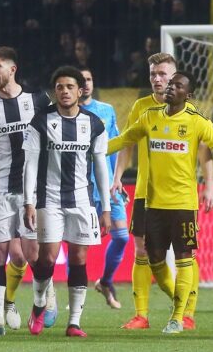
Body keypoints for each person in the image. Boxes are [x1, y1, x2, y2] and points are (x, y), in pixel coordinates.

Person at [109, 72, 213, 334]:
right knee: (155, 260)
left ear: (188, 95)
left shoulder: (198, 121)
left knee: (184, 257)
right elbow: (125, 140)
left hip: (183, 204)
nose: (170, 87)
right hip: (153, 204)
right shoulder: (149, 116)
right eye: (171, 84)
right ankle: (178, 304)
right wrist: (90, 149)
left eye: (178, 85)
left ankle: (178, 317)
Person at [0, 46, 54, 336]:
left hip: (34, 191)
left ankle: (42, 301)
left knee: (34, 255)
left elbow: (55, 135)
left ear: (12, 69)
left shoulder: (38, 99)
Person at [23, 66, 112, 338]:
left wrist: (106, 207)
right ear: (55, 91)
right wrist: (28, 202)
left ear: (80, 91)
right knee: (47, 257)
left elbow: (101, 167)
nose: (64, 91)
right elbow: (30, 164)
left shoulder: (94, 124)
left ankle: (74, 323)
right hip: (49, 199)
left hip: (82, 201)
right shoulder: (40, 121)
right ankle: (40, 303)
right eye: (60, 87)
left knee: (78, 258)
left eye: (70, 87)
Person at [78, 66, 128, 309]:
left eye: (89, 79)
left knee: (122, 237)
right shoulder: (65, 112)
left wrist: (117, 179)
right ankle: (76, 296)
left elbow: (115, 147)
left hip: (107, 185)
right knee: (78, 244)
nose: (86, 83)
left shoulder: (106, 111)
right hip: (80, 187)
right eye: (81, 80)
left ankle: (106, 281)